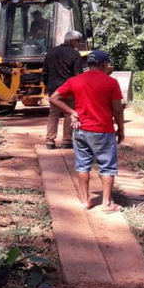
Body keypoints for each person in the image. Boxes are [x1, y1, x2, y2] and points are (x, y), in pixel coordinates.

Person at [49, 50, 125, 213]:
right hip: (103, 131)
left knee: (83, 166)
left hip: (81, 130)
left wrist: (71, 112)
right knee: (107, 167)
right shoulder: (111, 82)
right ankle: (106, 204)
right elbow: (117, 109)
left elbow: (54, 98)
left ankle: (85, 201)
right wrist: (121, 129)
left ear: (88, 64)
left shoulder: (75, 80)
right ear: (104, 65)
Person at [43, 30, 83, 149]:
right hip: (69, 89)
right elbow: (78, 75)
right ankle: (66, 141)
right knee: (68, 113)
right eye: (77, 41)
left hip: (54, 89)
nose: (78, 44)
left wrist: (47, 86)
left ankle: (50, 141)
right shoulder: (74, 54)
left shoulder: (51, 52)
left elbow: (45, 71)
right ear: (71, 41)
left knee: (53, 114)